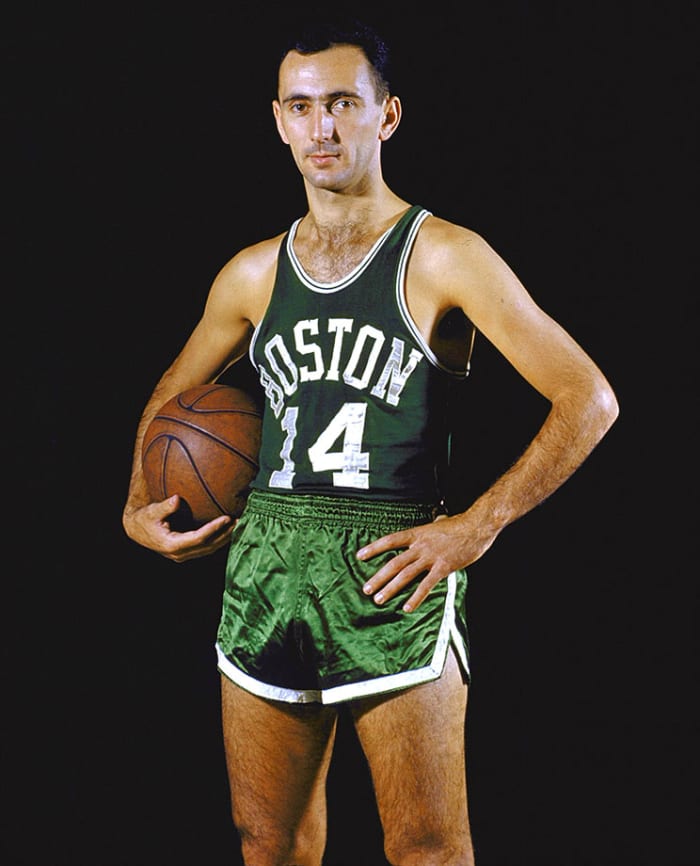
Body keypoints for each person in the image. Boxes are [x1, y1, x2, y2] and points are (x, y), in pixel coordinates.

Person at [122, 17, 619, 866]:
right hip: (266, 562)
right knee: (267, 843)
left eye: (343, 103)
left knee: (427, 848)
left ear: (386, 115)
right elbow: (174, 393)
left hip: (390, 564)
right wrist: (138, 501)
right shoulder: (253, 273)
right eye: (302, 106)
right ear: (279, 121)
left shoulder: (445, 255)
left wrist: (477, 525)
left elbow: (589, 398)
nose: (321, 127)